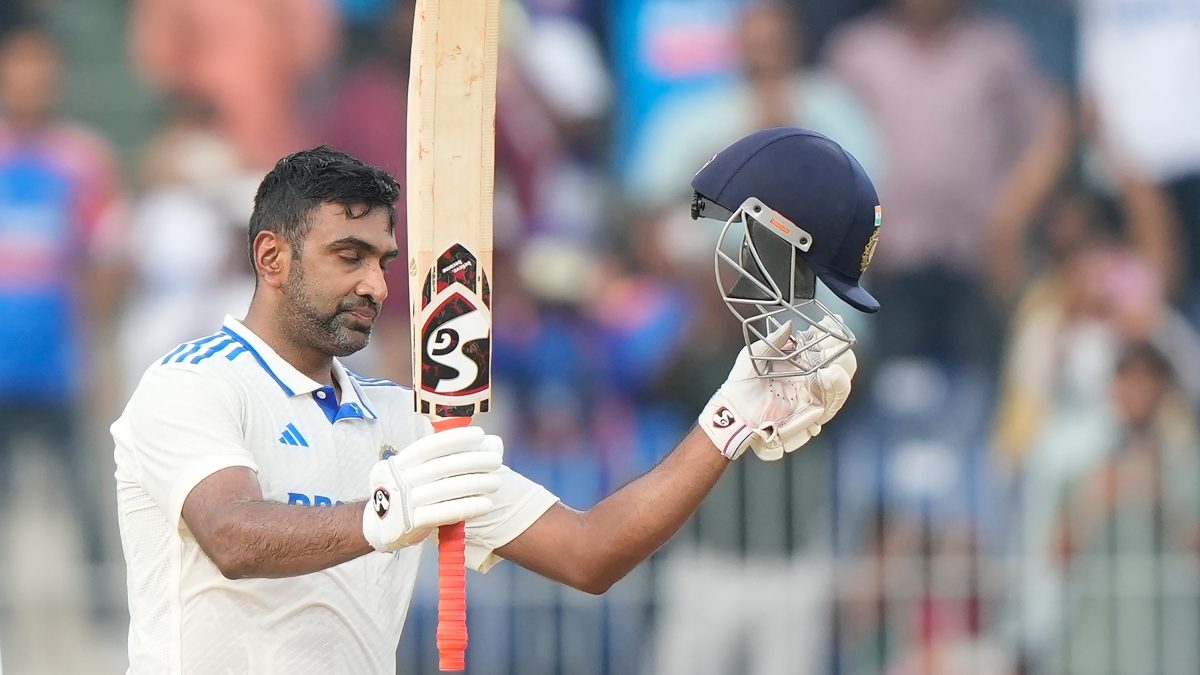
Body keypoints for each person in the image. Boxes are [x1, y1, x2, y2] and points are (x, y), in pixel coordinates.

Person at [113, 133, 879, 673]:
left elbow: (589, 553)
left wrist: (734, 410)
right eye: (347, 257)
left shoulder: (409, 419)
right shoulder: (189, 383)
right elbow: (230, 535)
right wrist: (381, 514)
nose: (376, 286)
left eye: (383, 260)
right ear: (272, 257)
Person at [0, 24, 124, 620]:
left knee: (84, 502)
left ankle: (102, 617)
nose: (30, 81)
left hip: (58, 364)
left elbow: (103, 262)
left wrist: (95, 350)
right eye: (19, 67)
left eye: (41, 69)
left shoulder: (82, 160)